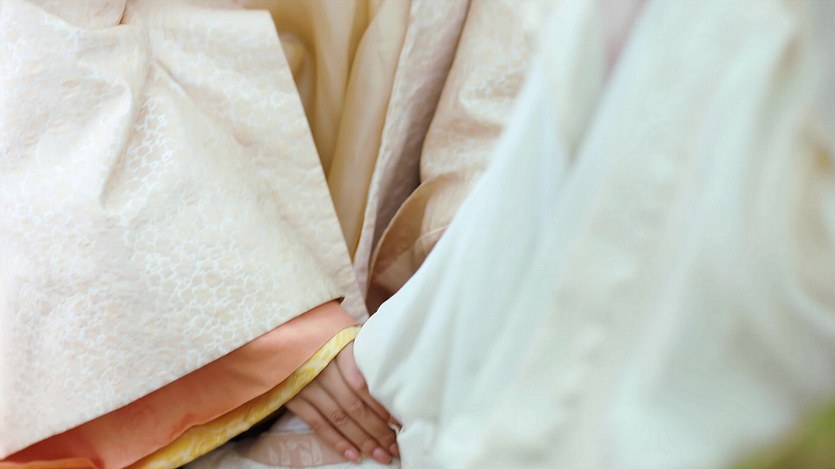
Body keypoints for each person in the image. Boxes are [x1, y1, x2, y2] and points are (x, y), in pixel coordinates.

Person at [0, 0, 534, 467]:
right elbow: (46, 37)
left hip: (400, 239)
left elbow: (515, 61)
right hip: (177, 219)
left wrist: (463, 265)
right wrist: (269, 316)